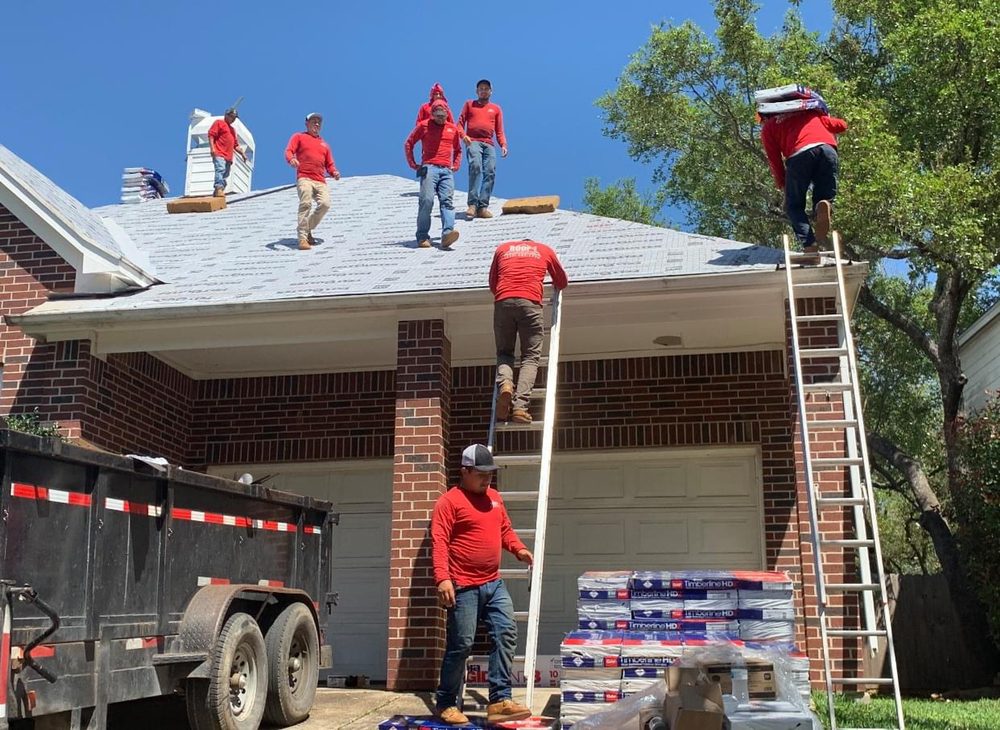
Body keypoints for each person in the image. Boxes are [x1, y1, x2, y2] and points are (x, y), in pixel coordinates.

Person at [431, 444, 534, 725]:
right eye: (481, 474)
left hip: (493, 583)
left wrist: (518, 549)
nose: (487, 479)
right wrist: (443, 578)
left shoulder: (495, 499)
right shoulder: (449, 502)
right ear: (465, 471)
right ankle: (446, 702)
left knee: (506, 633)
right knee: (461, 645)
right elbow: (439, 542)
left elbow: (505, 531)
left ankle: (500, 700)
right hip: (463, 585)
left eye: (490, 474)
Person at [488, 239, 568, 423]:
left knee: (504, 353)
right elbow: (561, 281)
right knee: (530, 358)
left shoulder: (502, 249)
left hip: (503, 302)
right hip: (530, 303)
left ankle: (506, 385)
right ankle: (520, 407)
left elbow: (493, 283)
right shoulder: (544, 250)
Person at [761, 108, 848, 253]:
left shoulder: (769, 126)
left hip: (799, 156)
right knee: (824, 195)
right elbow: (842, 125)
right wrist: (826, 115)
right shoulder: (811, 113)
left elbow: (774, 160)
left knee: (793, 206)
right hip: (827, 151)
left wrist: (783, 185)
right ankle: (823, 203)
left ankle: (809, 245)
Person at [404, 100, 463, 249]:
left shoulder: (452, 129)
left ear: (447, 114)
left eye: (443, 116)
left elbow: (458, 150)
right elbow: (409, 143)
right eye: (437, 116)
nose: (440, 119)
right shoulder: (424, 126)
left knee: (447, 202)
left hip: (446, 170)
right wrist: (414, 164)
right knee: (427, 200)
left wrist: (455, 165)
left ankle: (447, 234)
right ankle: (422, 236)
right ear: (432, 114)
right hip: (429, 167)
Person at [285, 113, 340, 250]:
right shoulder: (299, 137)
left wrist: (334, 172)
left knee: (325, 204)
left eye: (318, 123)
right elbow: (289, 151)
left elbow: (330, 164)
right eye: (313, 122)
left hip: (320, 180)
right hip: (305, 177)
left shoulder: (324, 145)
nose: (316, 124)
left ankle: (308, 228)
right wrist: (291, 159)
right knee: (306, 203)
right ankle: (302, 238)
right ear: (307, 124)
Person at [457, 79, 507, 219]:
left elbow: (499, 130)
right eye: (481, 88)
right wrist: (464, 136)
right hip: (473, 141)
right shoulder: (469, 104)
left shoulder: (496, 109)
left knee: (490, 171)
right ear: (477, 91)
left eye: (486, 88)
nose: (483, 90)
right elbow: (459, 124)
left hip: (489, 144)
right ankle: (472, 204)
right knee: (476, 166)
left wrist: (503, 144)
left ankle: (482, 206)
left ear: (490, 91)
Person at [208, 108, 246, 197]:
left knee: (226, 174)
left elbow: (235, 145)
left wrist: (243, 154)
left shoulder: (233, 130)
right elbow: (211, 135)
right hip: (219, 152)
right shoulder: (219, 123)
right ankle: (218, 188)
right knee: (220, 169)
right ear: (226, 115)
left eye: (234, 118)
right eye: (232, 117)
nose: (233, 119)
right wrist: (212, 148)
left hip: (228, 156)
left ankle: (219, 191)